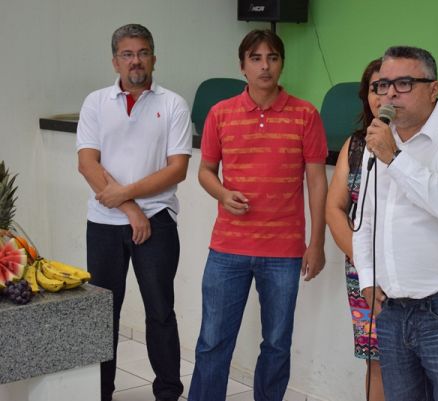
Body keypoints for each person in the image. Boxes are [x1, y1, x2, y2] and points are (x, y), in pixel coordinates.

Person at [188, 29, 328, 401]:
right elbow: (205, 171)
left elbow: (317, 181)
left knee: (277, 344)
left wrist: (316, 243)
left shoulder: (306, 114)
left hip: (284, 251)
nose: (265, 66)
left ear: (281, 63)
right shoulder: (220, 113)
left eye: (272, 58)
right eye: (255, 58)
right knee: (213, 341)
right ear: (242, 66)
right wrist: (222, 193)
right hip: (227, 249)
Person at [353, 46, 438, 401]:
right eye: (383, 85)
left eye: (403, 83)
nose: (390, 94)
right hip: (392, 307)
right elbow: (365, 218)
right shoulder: (379, 139)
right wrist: (366, 278)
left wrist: (395, 159)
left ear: (433, 89)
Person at [76, 24, 192, 401]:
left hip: (158, 222)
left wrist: (128, 197)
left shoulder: (172, 104)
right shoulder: (96, 102)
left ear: (154, 58)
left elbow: (177, 169)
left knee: (160, 311)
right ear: (115, 61)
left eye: (142, 53)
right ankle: (101, 393)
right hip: (104, 225)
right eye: (127, 54)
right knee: (103, 314)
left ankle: (168, 392)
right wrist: (130, 209)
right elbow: (87, 164)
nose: (135, 61)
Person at [325, 58, 385, 401]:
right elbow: (335, 208)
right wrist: (366, 267)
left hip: (413, 277)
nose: (383, 95)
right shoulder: (357, 144)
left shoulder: (422, 145)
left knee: (414, 364)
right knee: (376, 362)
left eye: (392, 86)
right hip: (363, 274)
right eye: (376, 88)